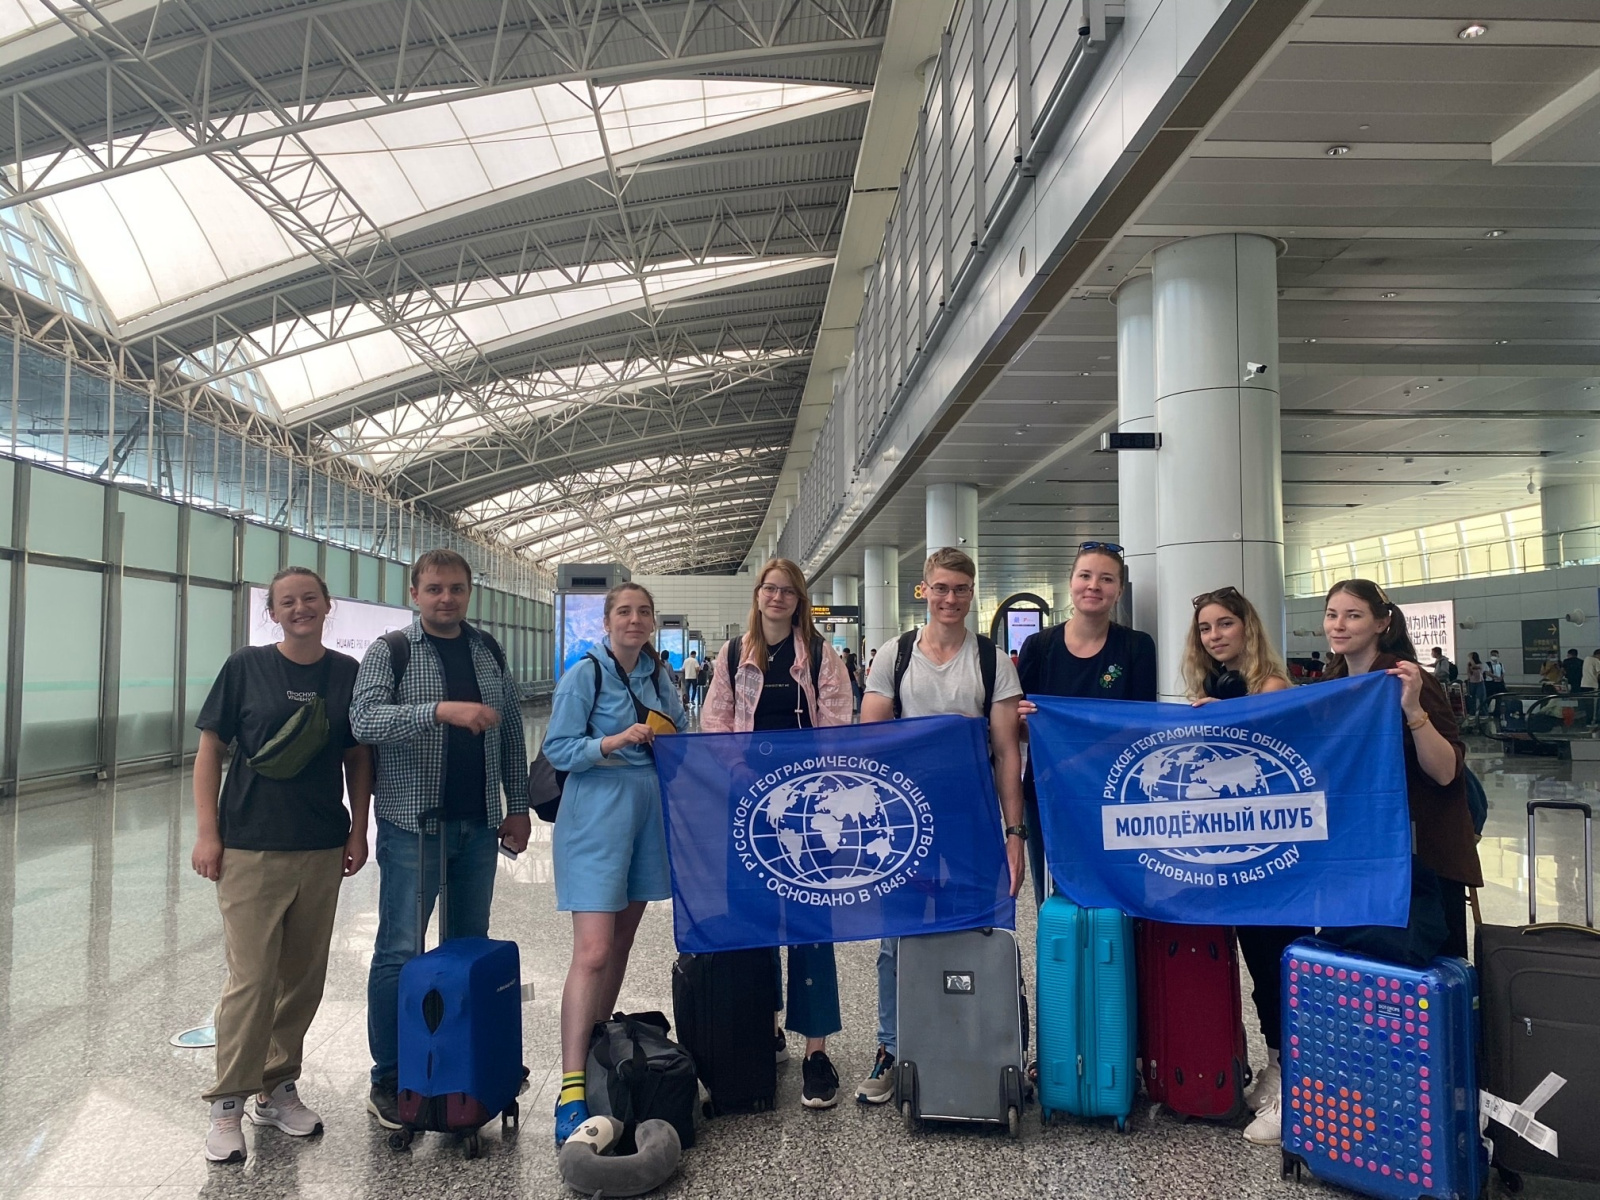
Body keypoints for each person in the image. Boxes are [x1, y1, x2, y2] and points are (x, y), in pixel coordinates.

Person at [192, 567, 372, 1164]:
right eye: (287, 602)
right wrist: (208, 834)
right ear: (273, 613)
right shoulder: (246, 667)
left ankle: (277, 1085)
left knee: (303, 976)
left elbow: (356, 757)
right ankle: (227, 1102)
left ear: (327, 605)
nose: (300, 608)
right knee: (252, 978)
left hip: (319, 846)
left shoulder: (345, 673)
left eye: (310, 598)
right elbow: (210, 750)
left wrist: (357, 829)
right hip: (250, 845)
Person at [352, 549, 531, 1130]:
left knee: (465, 947)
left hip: (477, 826)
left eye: (455, 588)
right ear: (415, 594)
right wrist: (438, 712)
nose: (446, 598)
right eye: (434, 589)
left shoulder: (487, 651)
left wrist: (518, 806)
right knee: (400, 951)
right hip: (413, 827)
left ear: (468, 591)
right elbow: (363, 720)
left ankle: (459, 1071)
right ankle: (390, 1077)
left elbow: (509, 734)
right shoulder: (391, 652)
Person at [856, 547, 1027, 1104]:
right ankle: (891, 1046)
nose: (950, 599)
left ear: (971, 594)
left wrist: (1014, 834)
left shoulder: (991, 660)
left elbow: (1007, 753)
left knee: (978, 926)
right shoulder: (896, 654)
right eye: (941, 588)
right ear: (923, 590)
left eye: (960, 589)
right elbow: (872, 737)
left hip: (971, 815)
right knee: (896, 934)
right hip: (904, 818)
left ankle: (975, 1042)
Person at [700, 559, 853, 1110]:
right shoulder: (732, 655)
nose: (778, 597)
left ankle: (816, 1051)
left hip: (811, 809)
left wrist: (811, 781)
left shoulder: (822, 656)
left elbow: (837, 723)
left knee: (811, 923)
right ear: (758, 594)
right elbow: (715, 722)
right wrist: (739, 770)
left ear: (799, 599)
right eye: (770, 588)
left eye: (788, 591)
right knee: (753, 919)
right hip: (749, 808)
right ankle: (762, 1030)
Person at [543, 582, 687, 1146]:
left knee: (621, 944)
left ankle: (597, 1056)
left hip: (647, 815)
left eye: (643, 611)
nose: (634, 619)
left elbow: (680, 732)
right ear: (606, 622)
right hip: (596, 816)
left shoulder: (658, 676)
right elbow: (558, 748)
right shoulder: (586, 674)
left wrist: (667, 742)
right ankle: (570, 1089)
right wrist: (612, 742)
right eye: (624, 611)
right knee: (594, 950)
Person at [1182, 586, 1297, 1148]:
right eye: (1206, 628)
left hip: (1274, 854)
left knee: (1278, 961)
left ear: (1248, 627)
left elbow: (1260, 745)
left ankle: (1295, 1076)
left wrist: (1222, 718)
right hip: (1236, 851)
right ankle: (1276, 1063)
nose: (1215, 636)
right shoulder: (1217, 687)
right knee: (1255, 961)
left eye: (1225, 624)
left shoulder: (1269, 686)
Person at [1321, 580, 1481, 962]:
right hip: (1359, 851)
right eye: (1331, 615)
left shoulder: (1407, 679)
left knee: (1423, 973)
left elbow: (1445, 772)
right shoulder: (1333, 684)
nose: (1338, 625)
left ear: (1382, 623)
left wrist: (1412, 710)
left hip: (1421, 859)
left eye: (1352, 615)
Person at [1015, 541, 1157, 905]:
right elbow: (1020, 729)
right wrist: (1024, 721)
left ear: (1119, 590)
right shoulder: (1039, 647)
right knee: (1056, 898)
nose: (1094, 585)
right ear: (1071, 582)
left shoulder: (1136, 647)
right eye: (1085, 576)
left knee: (1118, 895)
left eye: (1106, 579)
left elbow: (1140, 726)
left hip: (1114, 793)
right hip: (1049, 792)